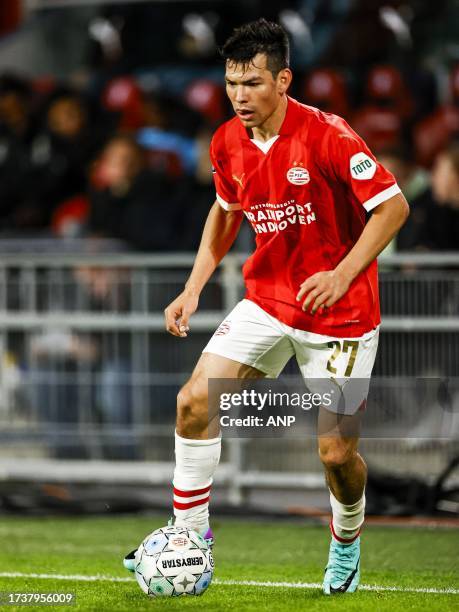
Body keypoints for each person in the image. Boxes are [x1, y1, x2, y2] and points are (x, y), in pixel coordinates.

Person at [124, 19, 409, 595]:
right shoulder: (227, 140)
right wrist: (193, 285)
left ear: (283, 79)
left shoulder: (330, 135)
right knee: (194, 404)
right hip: (269, 302)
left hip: (341, 314)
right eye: (232, 83)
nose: (239, 95)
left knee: (335, 454)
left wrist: (342, 272)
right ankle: (189, 539)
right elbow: (226, 210)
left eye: (252, 82)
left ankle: (347, 540)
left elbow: (393, 207)